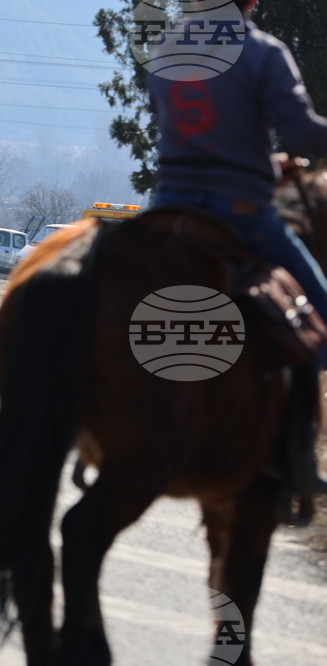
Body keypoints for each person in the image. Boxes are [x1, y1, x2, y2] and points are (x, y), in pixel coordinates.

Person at [148, 0, 327, 492]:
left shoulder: (166, 47)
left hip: (169, 210)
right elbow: (299, 130)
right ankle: (293, 454)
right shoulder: (264, 51)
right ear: (251, 1)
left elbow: (195, 138)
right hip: (242, 217)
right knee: (320, 318)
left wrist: (265, 165)